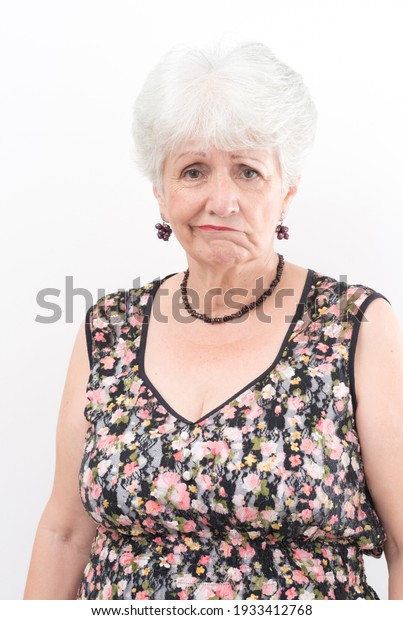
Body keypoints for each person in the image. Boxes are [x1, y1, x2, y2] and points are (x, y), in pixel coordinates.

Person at [24, 40, 403, 601]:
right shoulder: (109, 329)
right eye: (194, 171)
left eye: (248, 172)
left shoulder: (356, 325)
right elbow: (64, 532)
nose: (221, 200)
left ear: (287, 192)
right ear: (160, 193)